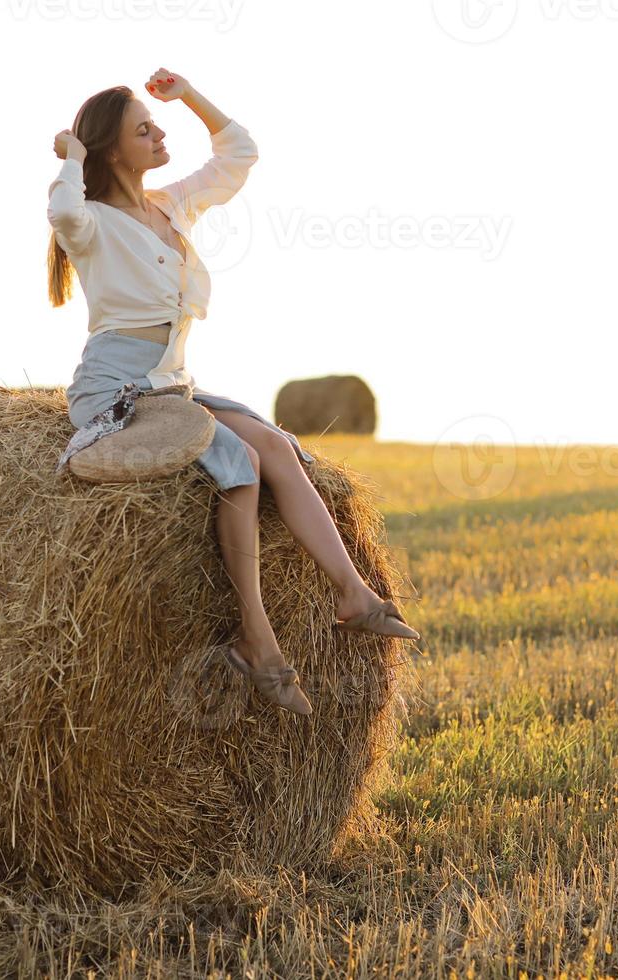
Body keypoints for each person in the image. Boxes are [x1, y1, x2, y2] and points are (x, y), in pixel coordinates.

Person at [47, 68, 419, 716]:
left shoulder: (167, 205)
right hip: (119, 388)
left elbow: (238, 154)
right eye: (145, 128)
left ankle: (354, 595)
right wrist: (72, 158)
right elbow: (62, 211)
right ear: (112, 150)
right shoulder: (97, 224)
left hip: (172, 382)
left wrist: (187, 95)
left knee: (274, 445)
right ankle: (256, 638)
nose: (160, 134)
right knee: (238, 466)